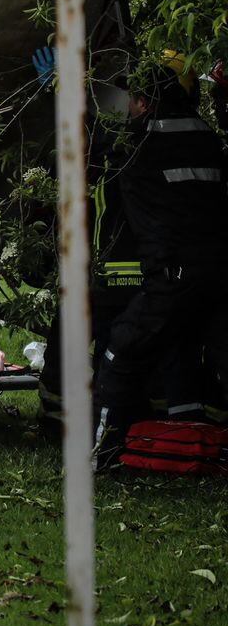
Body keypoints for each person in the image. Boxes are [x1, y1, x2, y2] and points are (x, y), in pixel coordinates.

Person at [92, 60, 228, 466]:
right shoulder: (210, 139)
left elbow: (93, 151)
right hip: (219, 276)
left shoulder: (137, 143)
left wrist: (60, 92)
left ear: (144, 101)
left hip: (172, 279)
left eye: (132, 99)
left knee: (122, 352)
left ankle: (102, 454)